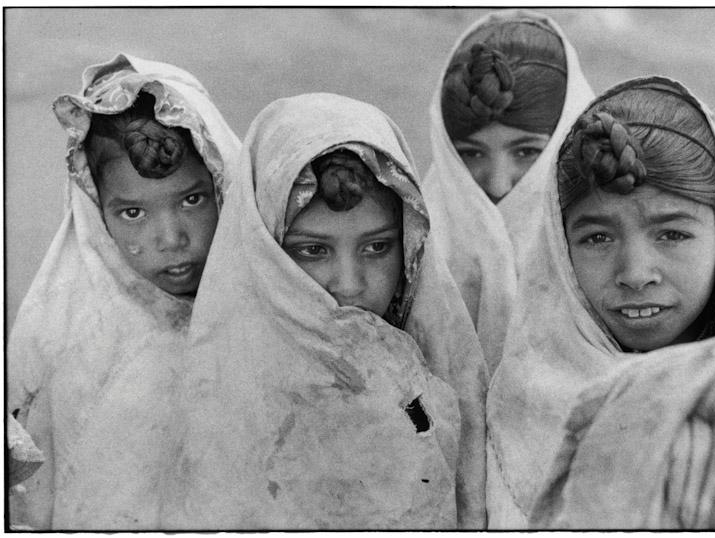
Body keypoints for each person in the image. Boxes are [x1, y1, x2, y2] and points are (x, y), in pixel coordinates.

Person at [161, 93, 488, 529]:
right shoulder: (223, 399)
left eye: (377, 247)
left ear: (411, 245)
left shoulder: (445, 367)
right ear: (265, 255)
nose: (349, 285)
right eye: (313, 251)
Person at [486, 76, 715, 528]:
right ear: (559, 248)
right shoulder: (525, 401)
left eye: (672, 234)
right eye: (597, 238)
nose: (634, 273)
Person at [7, 53, 241, 530]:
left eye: (192, 199)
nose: (171, 239)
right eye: (133, 213)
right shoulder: (65, 344)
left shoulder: (275, 314)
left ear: (226, 181)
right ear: (95, 212)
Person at [422, 9, 594, 374]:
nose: (498, 184)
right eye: (471, 154)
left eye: (526, 152)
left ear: (568, 141)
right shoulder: (414, 254)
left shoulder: (606, 254)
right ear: (447, 154)